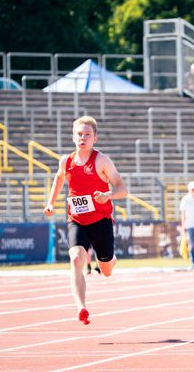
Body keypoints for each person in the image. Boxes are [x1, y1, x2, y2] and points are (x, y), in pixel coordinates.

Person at [43, 116, 127, 325]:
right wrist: (51, 202)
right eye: (79, 134)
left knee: (106, 270)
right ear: (73, 137)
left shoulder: (101, 160)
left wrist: (108, 195)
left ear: (95, 138)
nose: (83, 138)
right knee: (76, 257)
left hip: (100, 221)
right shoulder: (66, 161)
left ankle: (110, 260)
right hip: (77, 220)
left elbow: (122, 189)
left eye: (87, 134)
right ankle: (81, 307)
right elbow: (59, 178)